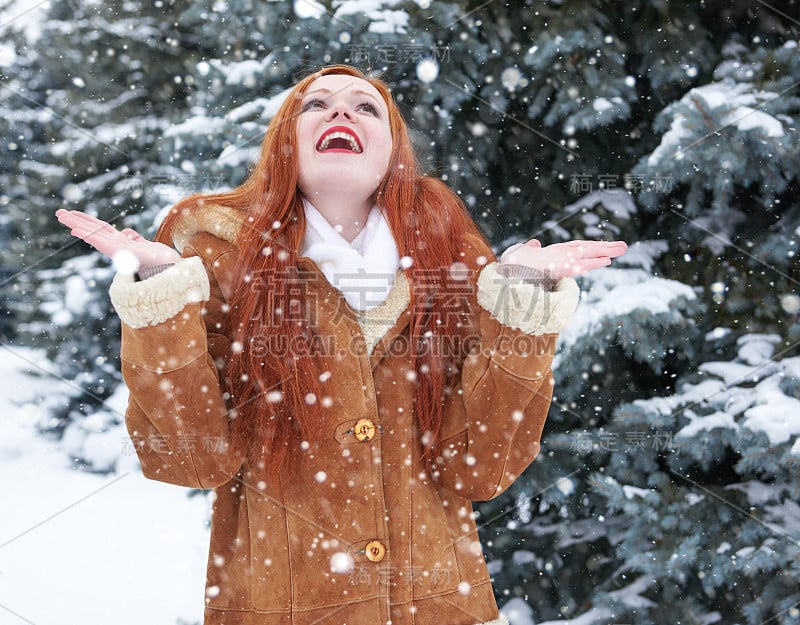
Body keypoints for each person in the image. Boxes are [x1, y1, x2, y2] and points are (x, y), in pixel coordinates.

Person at [56, 65, 626, 625]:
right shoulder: (217, 263)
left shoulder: (453, 264)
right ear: (285, 143)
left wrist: (525, 303)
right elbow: (189, 457)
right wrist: (159, 297)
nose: (340, 110)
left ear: (393, 152)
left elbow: (480, 467)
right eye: (316, 104)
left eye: (366, 106)